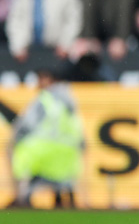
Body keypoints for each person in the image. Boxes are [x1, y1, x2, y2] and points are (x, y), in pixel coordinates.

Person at [8, 67, 84, 209]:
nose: (39, 83)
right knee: (62, 179)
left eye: (41, 79)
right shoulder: (69, 99)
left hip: (43, 151)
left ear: (49, 80)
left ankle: (22, 197)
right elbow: (77, 126)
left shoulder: (44, 99)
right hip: (68, 153)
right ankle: (63, 198)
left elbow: (26, 124)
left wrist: (15, 138)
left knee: (15, 152)